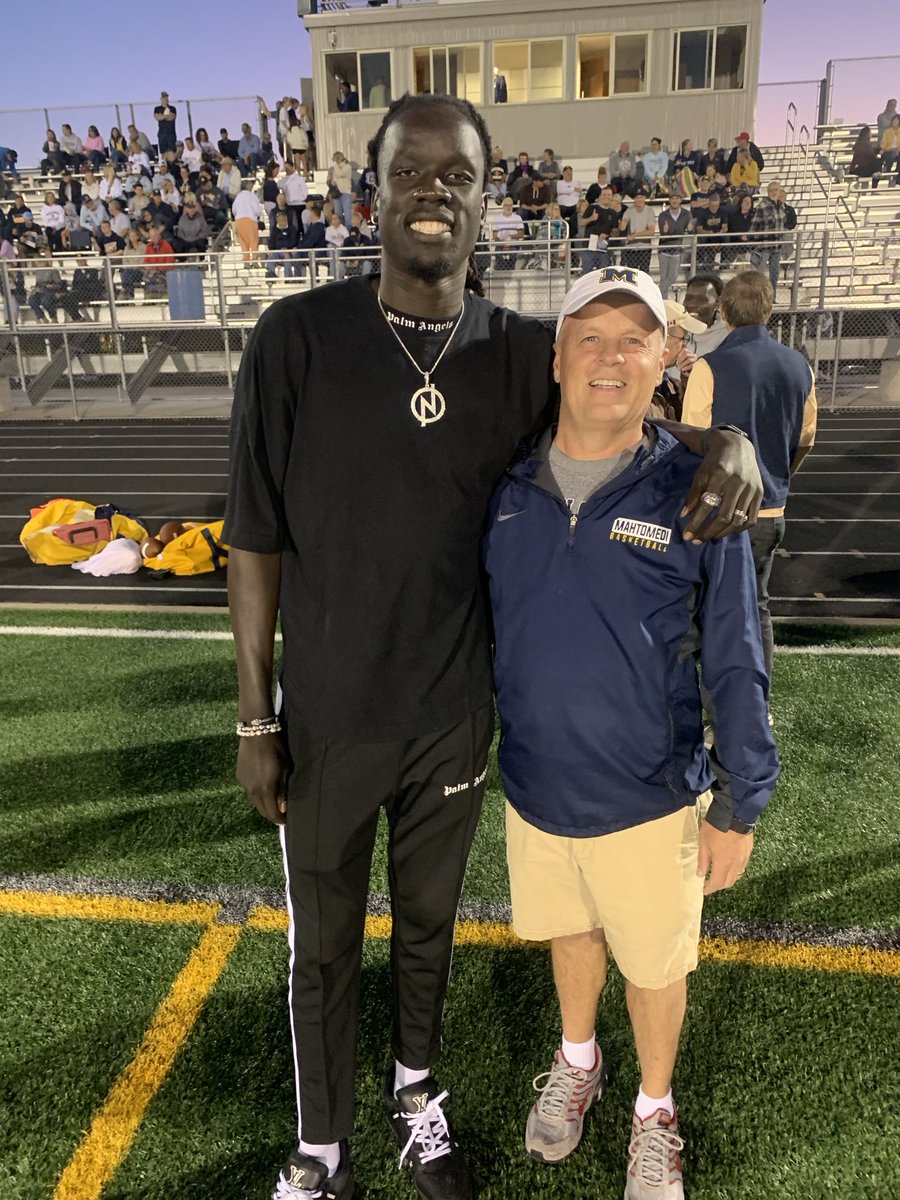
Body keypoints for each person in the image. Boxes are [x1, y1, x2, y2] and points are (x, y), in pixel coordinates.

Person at [223, 91, 762, 1200]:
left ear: (487, 203)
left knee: (428, 927)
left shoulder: (520, 350)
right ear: (371, 189)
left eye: (458, 178)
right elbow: (254, 535)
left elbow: (622, 400)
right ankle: (321, 1150)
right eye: (411, 173)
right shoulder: (297, 336)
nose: (434, 194)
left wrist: (731, 440)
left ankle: (417, 1094)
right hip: (325, 716)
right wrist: (254, 715)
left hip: (456, 718)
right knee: (320, 948)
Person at [483, 266, 779, 1200]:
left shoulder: (697, 493)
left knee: (653, 966)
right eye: (591, 335)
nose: (611, 357)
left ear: (665, 358)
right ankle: (580, 1059)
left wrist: (743, 797)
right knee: (572, 932)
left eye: (634, 338)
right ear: (559, 354)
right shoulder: (503, 485)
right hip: (534, 785)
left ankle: (655, 1111)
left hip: (651, 794)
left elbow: (737, 653)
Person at [682, 270, 817, 682]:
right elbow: (806, 438)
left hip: (716, 512)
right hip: (770, 510)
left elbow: (691, 443)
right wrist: (777, 477)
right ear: (770, 311)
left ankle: (707, 712)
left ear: (722, 311)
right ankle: (754, 706)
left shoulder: (710, 367)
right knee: (756, 609)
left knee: (700, 613)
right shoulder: (799, 367)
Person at [749, 182, 786, 294]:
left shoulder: (781, 206)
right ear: (768, 192)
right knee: (760, 274)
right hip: (764, 246)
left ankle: (772, 297)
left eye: (776, 190)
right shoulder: (762, 206)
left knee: (774, 273)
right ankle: (758, 296)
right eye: (771, 190)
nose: (774, 192)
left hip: (776, 246)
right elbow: (754, 225)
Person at [683, 273, 728, 358]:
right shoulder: (676, 330)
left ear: (717, 303)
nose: (692, 304)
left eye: (701, 300)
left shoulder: (726, 337)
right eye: (688, 298)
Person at [656, 193, 692, 299]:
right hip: (663, 249)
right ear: (669, 200)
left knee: (672, 277)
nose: (674, 200)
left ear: (680, 200)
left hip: (677, 250)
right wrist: (668, 231)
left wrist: (690, 229)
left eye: (677, 198)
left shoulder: (686, 214)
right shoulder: (663, 215)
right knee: (663, 277)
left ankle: (658, 292)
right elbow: (664, 234)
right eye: (672, 198)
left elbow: (690, 231)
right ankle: (663, 299)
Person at [619, 190, 655, 273]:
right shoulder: (629, 211)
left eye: (641, 197)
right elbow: (623, 226)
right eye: (637, 197)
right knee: (632, 273)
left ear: (645, 198)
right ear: (634, 199)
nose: (639, 200)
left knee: (644, 273)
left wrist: (635, 235)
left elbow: (651, 231)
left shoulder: (649, 211)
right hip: (631, 247)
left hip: (645, 247)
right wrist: (622, 224)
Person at [693, 190, 728, 271]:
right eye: (712, 206)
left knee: (726, 238)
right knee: (703, 239)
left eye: (716, 206)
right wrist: (708, 232)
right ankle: (702, 261)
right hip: (707, 234)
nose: (714, 208)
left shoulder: (723, 212)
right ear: (709, 204)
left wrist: (721, 232)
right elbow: (699, 229)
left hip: (718, 235)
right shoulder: (702, 213)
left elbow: (725, 227)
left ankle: (725, 261)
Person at [491, 194, 526, 270]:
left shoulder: (517, 218)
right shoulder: (497, 218)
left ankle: (510, 270)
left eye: (510, 205)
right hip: (500, 243)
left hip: (513, 243)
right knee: (498, 252)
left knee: (513, 253)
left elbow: (521, 234)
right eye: (506, 205)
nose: (508, 207)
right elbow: (494, 236)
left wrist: (510, 237)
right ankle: (501, 271)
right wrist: (503, 244)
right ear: (503, 206)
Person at [232, 180, 262, 266]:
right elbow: (257, 210)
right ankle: (255, 261)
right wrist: (258, 217)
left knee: (243, 242)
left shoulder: (238, 196)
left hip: (239, 221)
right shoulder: (252, 196)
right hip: (250, 220)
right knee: (253, 241)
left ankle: (246, 261)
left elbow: (234, 210)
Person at [266, 210, 301, 278]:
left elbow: (293, 241)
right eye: (280, 220)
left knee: (286, 256)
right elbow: (271, 243)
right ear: (277, 220)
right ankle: (271, 274)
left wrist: (286, 248)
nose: (282, 222)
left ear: (286, 219)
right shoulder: (274, 229)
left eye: (283, 220)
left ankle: (288, 277)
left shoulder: (292, 228)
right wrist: (272, 249)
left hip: (289, 250)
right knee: (271, 256)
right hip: (278, 251)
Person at [327, 151, 354, 228]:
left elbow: (340, 173)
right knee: (338, 214)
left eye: (335, 158)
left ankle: (349, 232)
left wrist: (335, 164)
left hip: (345, 193)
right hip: (337, 193)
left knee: (347, 215)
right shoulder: (336, 168)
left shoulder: (347, 166)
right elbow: (334, 178)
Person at [556, 166, 582, 238]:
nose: (569, 175)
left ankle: (574, 235)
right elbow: (561, 190)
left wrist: (568, 191)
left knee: (576, 216)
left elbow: (578, 193)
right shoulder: (560, 183)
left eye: (570, 173)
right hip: (563, 206)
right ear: (563, 174)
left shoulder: (577, 182)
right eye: (567, 173)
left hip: (574, 205)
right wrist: (573, 189)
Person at [879, 114, 900, 185]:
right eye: (894, 120)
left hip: (898, 151)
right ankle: (887, 171)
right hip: (889, 150)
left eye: (896, 120)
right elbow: (883, 143)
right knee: (891, 155)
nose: (895, 122)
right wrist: (889, 149)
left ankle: (896, 173)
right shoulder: (887, 132)